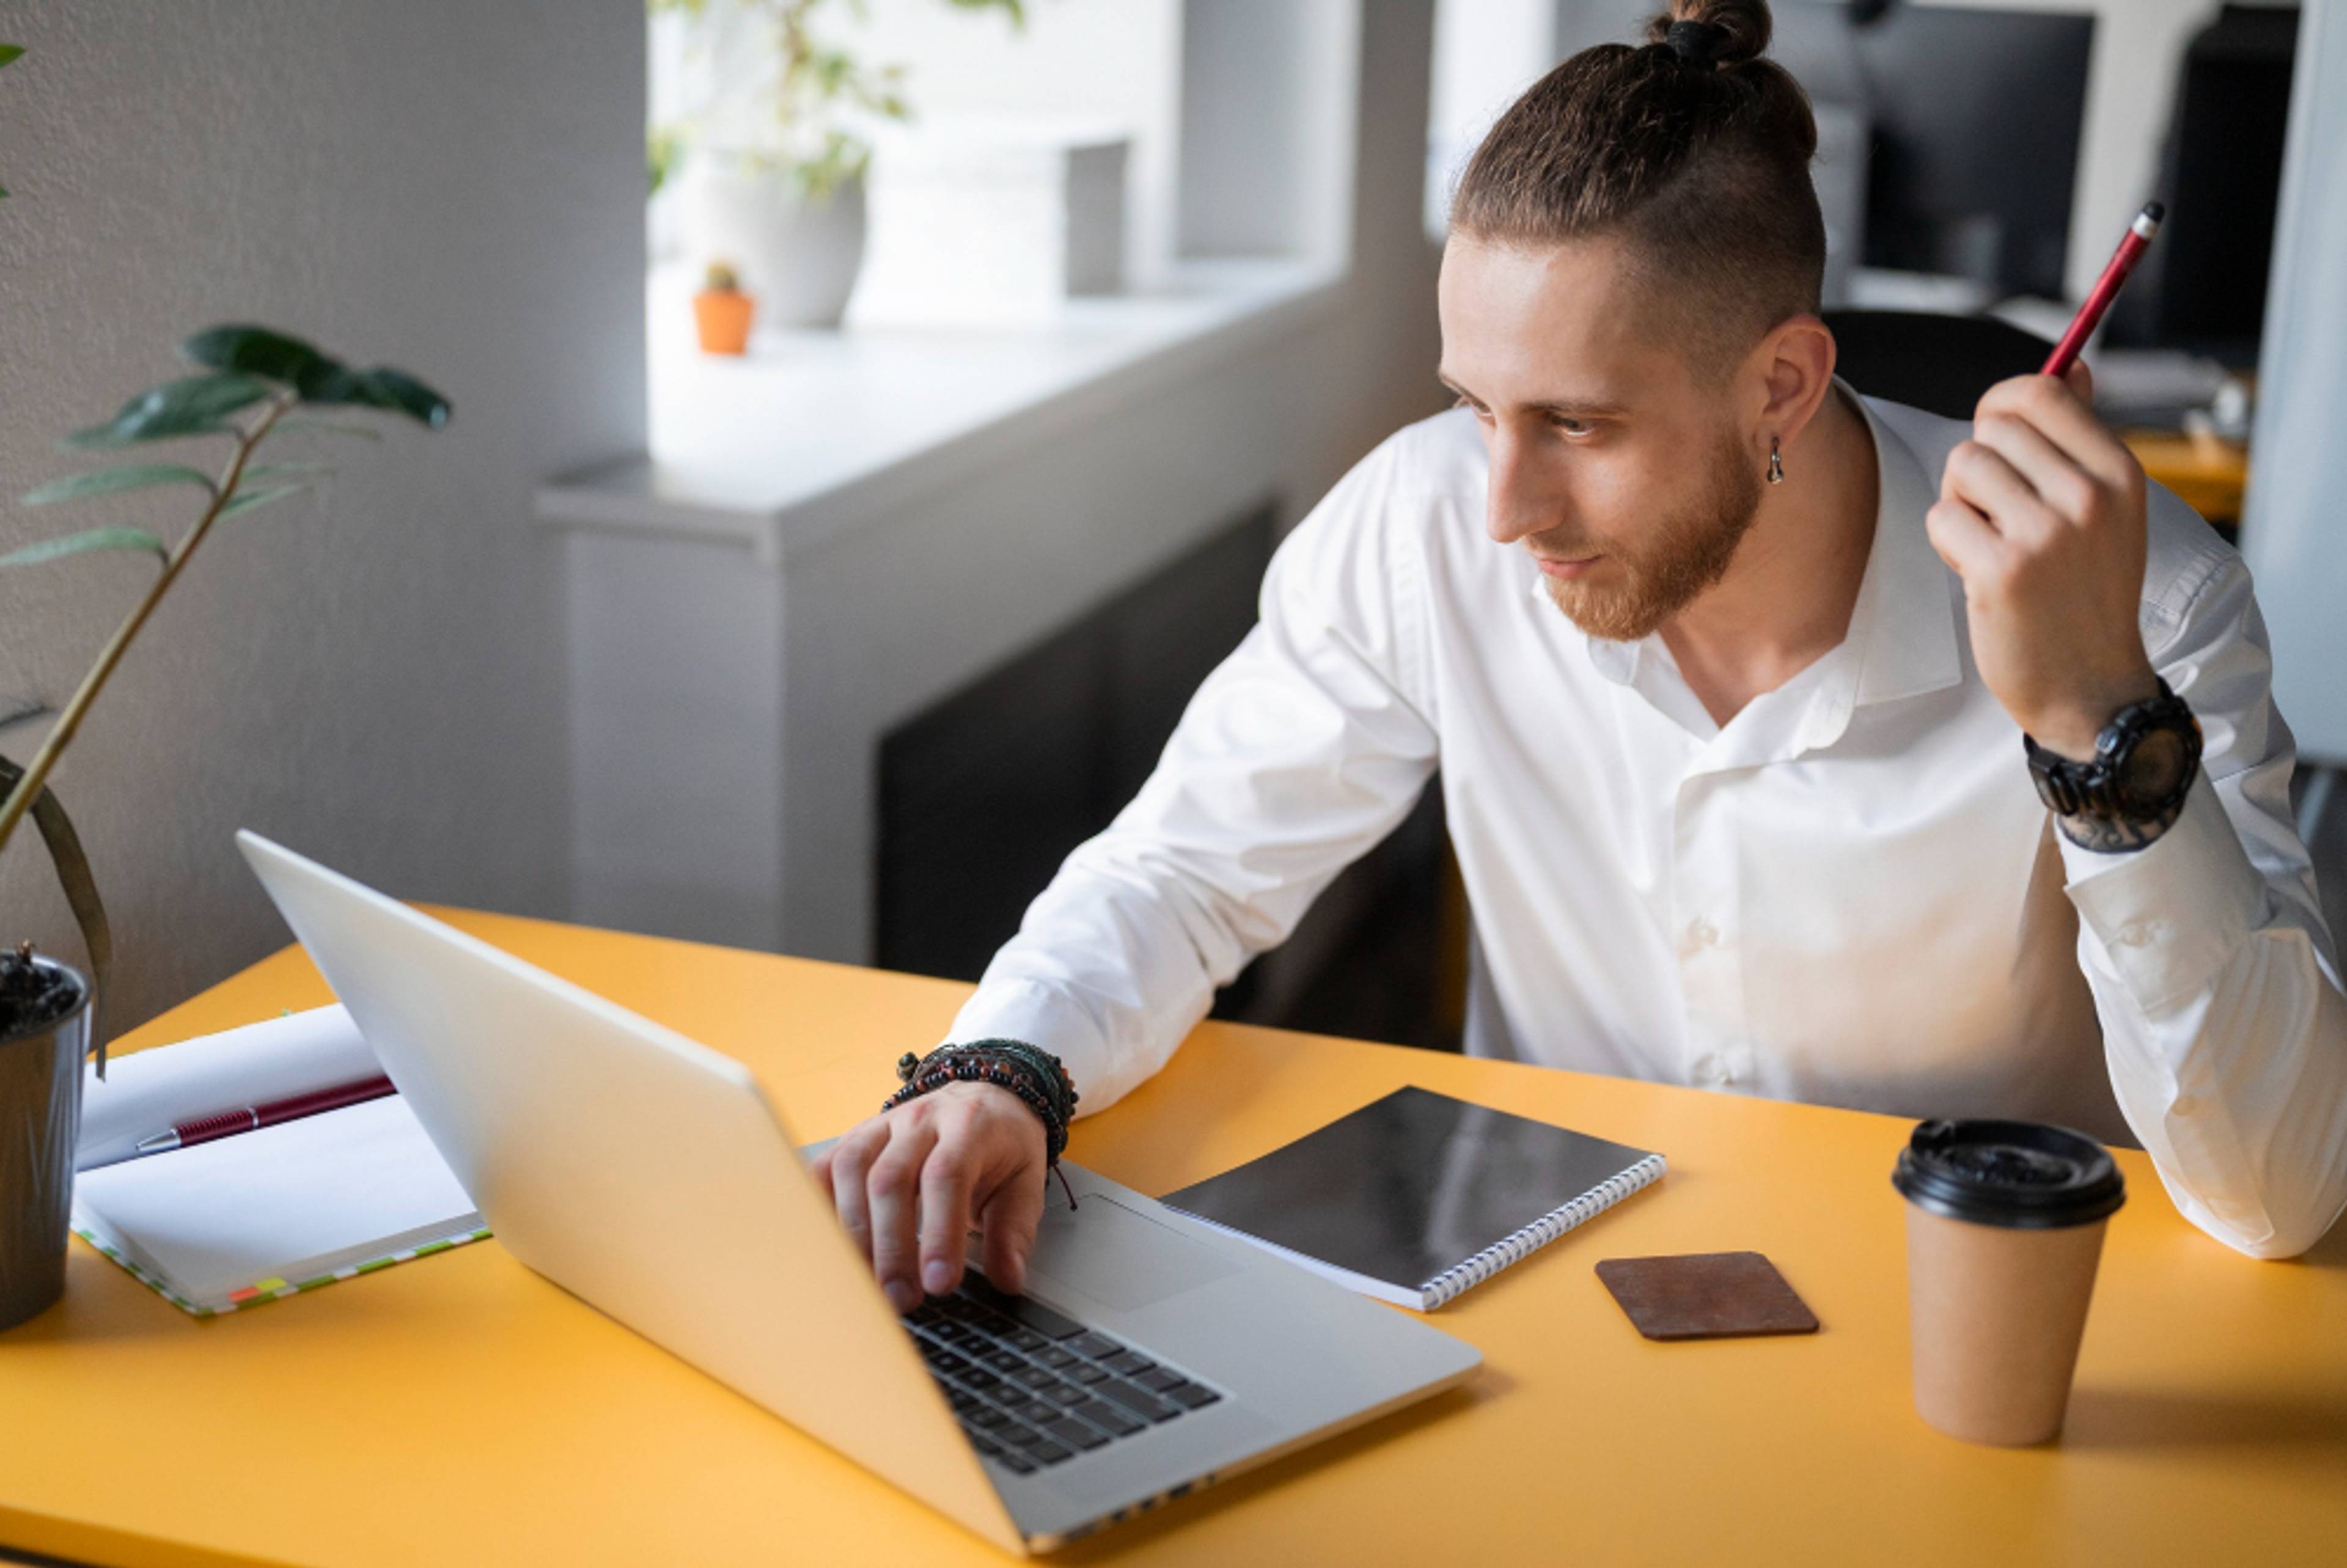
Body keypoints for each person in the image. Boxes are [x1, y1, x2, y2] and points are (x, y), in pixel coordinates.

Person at [813, 0, 2347, 1313]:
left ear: (1785, 385)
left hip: (1977, 1318)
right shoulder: (1427, 517)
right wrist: (1002, 1068)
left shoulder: (2144, 606)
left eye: (1581, 425)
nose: (1503, 505)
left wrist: (2096, 727)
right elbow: (1188, 868)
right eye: (1480, 403)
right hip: (1555, 1291)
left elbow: (2280, 1195)